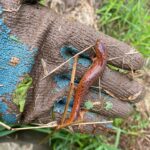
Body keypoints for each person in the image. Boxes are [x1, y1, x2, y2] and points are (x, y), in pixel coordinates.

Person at [0, 0, 145, 134]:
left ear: (99, 54)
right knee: (79, 95)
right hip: (85, 82)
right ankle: (69, 119)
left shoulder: (100, 60)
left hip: (84, 84)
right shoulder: (100, 59)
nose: (96, 47)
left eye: (97, 49)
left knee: (79, 96)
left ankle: (70, 118)